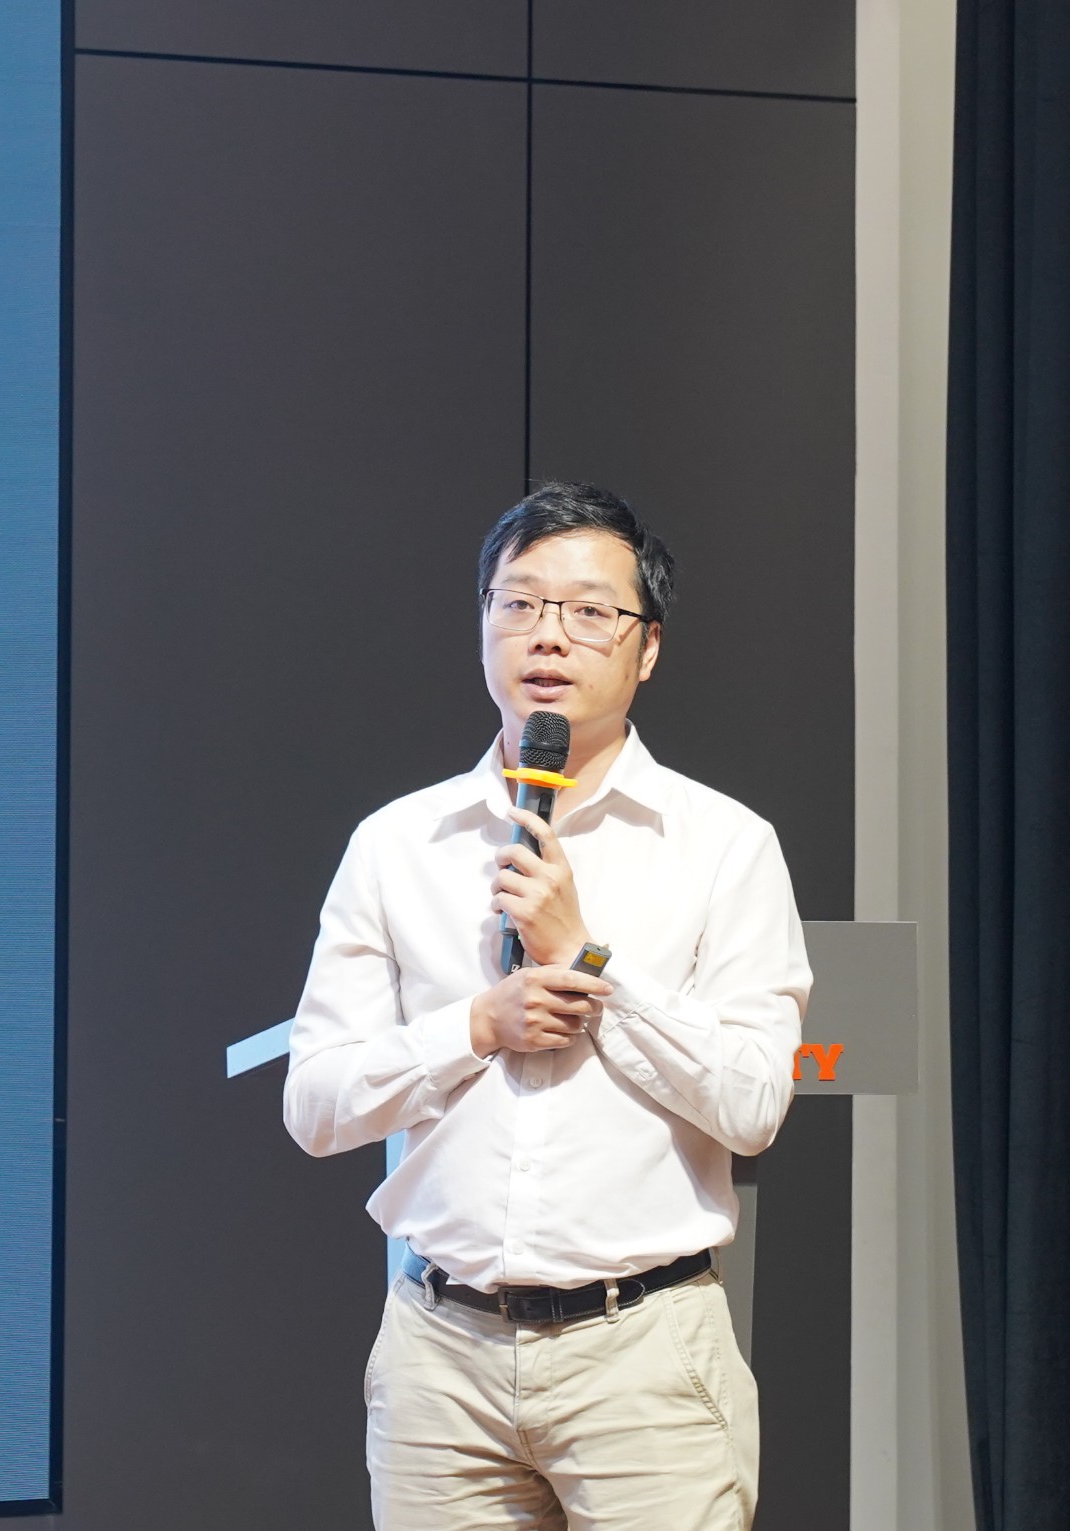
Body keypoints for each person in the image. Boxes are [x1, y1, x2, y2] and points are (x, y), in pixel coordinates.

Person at [284, 482, 812, 1530]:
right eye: (518, 602)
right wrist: (474, 1028)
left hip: (644, 1355)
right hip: (440, 1357)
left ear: (646, 647)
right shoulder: (397, 843)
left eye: (588, 611)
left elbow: (754, 1104)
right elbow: (316, 1106)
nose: (548, 635)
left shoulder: (724, 844)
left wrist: (587, 962)